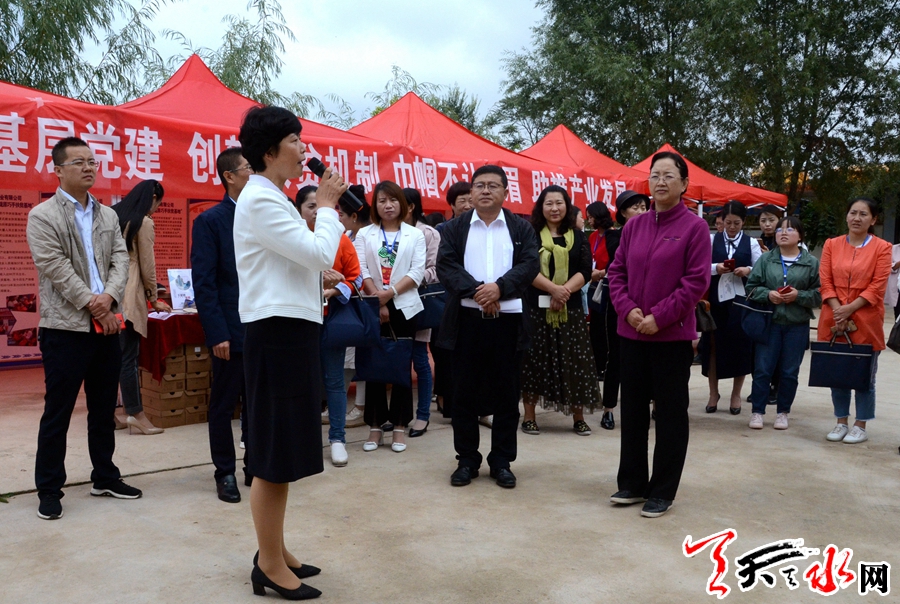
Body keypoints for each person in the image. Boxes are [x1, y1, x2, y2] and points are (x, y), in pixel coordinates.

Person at [234, 105, 348, 599]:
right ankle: (268, 565)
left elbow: (302, 262)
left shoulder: (273, 197)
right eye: (295, 141)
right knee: (273, 453)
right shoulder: (261, 199)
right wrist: (328, 206)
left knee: (283, 448)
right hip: (276, 333)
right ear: (269, 151)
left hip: (291, 329)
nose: (304, 150)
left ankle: (275, 551)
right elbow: (320, 253)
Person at [26, 137, 141, 521]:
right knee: (58, 411)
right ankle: (48, 488)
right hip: (65, 328)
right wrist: (95, 304)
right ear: (58, 170)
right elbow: (54, 266)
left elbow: (120, 262)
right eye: (79, 162)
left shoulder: (107, 215)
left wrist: (109, 298)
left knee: (103, 408)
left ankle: (104, 476)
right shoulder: (42, 216)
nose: (89, 167)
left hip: (105, 325)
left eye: (92, 161)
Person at [607, 151, 710, 518]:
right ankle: (633, 483)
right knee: (633, 411)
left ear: (684, 184)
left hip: (670, 337)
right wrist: (628, 309)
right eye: (655, 175)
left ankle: (663, 490)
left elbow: (695, 283)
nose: (661, 181)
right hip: (631, 332)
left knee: (669, 415)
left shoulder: (695, 228)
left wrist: (659, 317)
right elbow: (616, 272)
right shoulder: (633, 227)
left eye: (669, 175)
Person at [437, 165, 540, 489]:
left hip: (508, 323)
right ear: (471, 191)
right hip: (466, 322)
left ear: (505, 192)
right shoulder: (454, 228)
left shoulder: (521, 228)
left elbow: (530, 265)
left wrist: (500, 289)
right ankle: (467, 460)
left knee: (507, 396)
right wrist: (480, 292)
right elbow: (446, 266)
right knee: (463, 395)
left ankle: (502, 461)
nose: (485, 190)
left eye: (493, 185)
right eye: (479, 185)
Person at [192, 147, 253, 502]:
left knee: (258, 403)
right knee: (224, 404)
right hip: (230, 330)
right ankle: (225, 471)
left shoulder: (262, 215)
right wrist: (217, 333)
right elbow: (205, 283)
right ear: (229, 176)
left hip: (263, 327)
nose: (253, 173)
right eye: (248, 168)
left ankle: (255, 465)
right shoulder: (211, 221)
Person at [520, 185, 600, 435]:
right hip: (536, 309)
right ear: (540, 207)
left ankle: (578, 417)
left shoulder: (578, 236)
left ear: (567, 206)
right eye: (549, 203)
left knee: (575, 363)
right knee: (534, 362)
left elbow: (585, 270)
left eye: (559, 203)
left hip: (570, 308)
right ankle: (529, 417)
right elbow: (526, 268)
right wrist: (553, 290)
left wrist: (563, 292)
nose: (554, 208)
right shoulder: (530, 234)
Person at [354, 181, 426, 453]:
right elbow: (361, 270)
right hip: (373, 304)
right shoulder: (365, 234)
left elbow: (417, 272)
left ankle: (398, 425)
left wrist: (390, 294)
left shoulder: (414, 235)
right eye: (382, 200)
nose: (388, 205)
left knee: (400, 366)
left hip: (404, 306)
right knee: (373, 364)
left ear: (403, 205)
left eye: (393, 200)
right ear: (375, 205)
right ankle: (374, 426)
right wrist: (377, 299)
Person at [296, 185, 360, 467]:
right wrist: (317, 279)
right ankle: (304, 438)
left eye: (320, 206)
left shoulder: (340, 239)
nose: (316, 211)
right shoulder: (292, 237)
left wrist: (336, 288)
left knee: (334, 380)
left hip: (332, 319)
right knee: (302, 380)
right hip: (298, 318)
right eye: (310, 206)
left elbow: (356, 277)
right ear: (299, 210)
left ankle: (337, 438)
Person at [818, 197, 892, 445]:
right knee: (837, 372)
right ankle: (841, 421)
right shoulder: (832, 244)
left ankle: (861, 424)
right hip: (833, 317)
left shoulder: (882, 248)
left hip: (866, 317)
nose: (857, 218)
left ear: (873, 219)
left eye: (863, 214)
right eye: (853, 213)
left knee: (863, 375)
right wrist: (838, 310)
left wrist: (849, 309)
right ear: (846, 216)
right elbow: (825, 281)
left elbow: (877, 286)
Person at [745, 217, 821, 430]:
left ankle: (783, 412)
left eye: (790, 229)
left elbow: (819, 295)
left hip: (797, 325)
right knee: (763, 369)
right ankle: (757, 411)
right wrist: (768, 294)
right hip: (769, 323)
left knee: (789, 371)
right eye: (780, 229)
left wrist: (799, 296)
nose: (783, 233)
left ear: (800, 236)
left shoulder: (811, 262)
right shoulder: (766, 259)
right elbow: (751, 287)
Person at [113, 179, 173, 435]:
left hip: (108, 296)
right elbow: (147, 265)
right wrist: (153, 297)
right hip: (129, 297)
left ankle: (108, 414)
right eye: (158, 203)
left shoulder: (113, 216)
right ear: (153, 198)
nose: (156, 209)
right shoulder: (143, 222)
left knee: (110, 359)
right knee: (128, 359)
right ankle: (136, 414)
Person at [700, 201, 762, 414]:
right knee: (713, 347)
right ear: (721, 221)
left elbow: (761, 269)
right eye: (728, 223)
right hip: (715, 302)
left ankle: (736, 395)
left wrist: (748, 270)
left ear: (744, 222)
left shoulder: (751, 243)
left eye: (736, 223)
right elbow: (700, 267)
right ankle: (713, 393)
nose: (732, 227)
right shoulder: (711, 240)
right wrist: (716, 268)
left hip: (740, 303)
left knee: (741, 348)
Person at [597, 192, 650, 431]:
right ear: (622, 213)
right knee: (616, 355)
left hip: (648, 301)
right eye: (635, 207)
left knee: (649, 356)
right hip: (620, 301)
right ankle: (608, 408)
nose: (640, 211)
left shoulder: (655, 234)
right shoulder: (614, 236)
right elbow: (621, 263)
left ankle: (652, 404)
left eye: (644, 207)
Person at [403, 187, 441, 438]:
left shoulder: (428, 233)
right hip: (393, 302)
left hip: (418, 301)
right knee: (397, 359)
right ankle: (400, 415)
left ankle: (423, 415)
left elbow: (435, 269)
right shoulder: (388, 232)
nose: (390, 206)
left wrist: (408, 279)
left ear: (411, 206)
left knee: (420, 359)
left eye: (397, 202)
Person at [335, 185, 371, 428]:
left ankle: (360, 407)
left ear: (354, 216)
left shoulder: (369, 236)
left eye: (342, 215)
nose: (339, 219)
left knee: (362, 358)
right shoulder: (347, 236)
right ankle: (340, 405)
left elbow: (362, 273)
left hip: (366, 303)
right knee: (347, 358)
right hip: (348, 301)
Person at [586, 201, 614, 387]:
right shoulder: (592, 236)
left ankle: (606, 364)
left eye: (591, 217)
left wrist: (602, 273)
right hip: (593, 285)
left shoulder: (613, 235)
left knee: (605, 327)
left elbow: (616, 262)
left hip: (607, 284)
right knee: (595, 326)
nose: (589, 220)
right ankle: (597, 365)